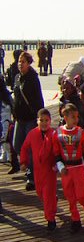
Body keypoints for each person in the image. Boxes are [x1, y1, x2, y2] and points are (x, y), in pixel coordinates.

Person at [53, 103, 84, 233]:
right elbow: (56, 154)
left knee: (81, 194)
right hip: (66, 169)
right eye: (73, 117)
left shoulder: (81, 133)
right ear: (65, 117)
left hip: (78, 167)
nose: (76, 119)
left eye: (77, 117)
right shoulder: (58, 133)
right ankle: (75, 219)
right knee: (69, 195)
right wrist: (60, 166)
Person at [19, 108, 58, 231]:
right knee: (40, 192)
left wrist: (58, 163)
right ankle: (53, 202)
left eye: (47, 120)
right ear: (37, 121)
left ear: (50, 121)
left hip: (50, 170)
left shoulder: (54, 134)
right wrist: (24, 161)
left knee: (47, 195)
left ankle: (50, 219)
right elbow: (24, 147)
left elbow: (58, 151)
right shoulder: (32, 134)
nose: (44, 123)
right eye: (41, 120)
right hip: (37, 170)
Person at [12, 52, 45, 188]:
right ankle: (29, 167)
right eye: (19, 61)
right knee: (17, 145)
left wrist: (41, 118)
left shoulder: (33, 78)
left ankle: (31, 177)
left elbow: (39, 99)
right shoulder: (17, 77)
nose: (20, 64)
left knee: (30, 148)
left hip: (31, 118)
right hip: (19, 118)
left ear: (29, 63)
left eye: (23, 62)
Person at [0, 75, 13, 163]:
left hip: (5, 115)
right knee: (3, 135)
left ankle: (8, 154)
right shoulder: (6, 94)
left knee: (5, 134)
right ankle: (5, 154)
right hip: (4, 114)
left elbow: (11, 103)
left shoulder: (5, 94)